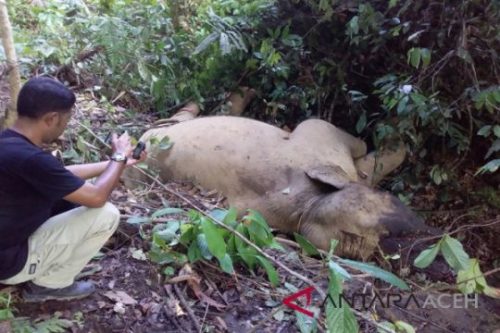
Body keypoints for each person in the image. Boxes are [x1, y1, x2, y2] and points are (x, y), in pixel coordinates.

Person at [0, 77, 146, 302]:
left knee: (72, 197)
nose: (65, 126)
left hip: (7, 243)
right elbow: (97, 197)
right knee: (106, 214)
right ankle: (49, 286)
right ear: (52, 118)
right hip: (9, 263)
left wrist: (121, 163)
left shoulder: (10, 142)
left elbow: (62, 174)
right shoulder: (29, 158)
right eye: (66, 120)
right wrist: (117, 155)